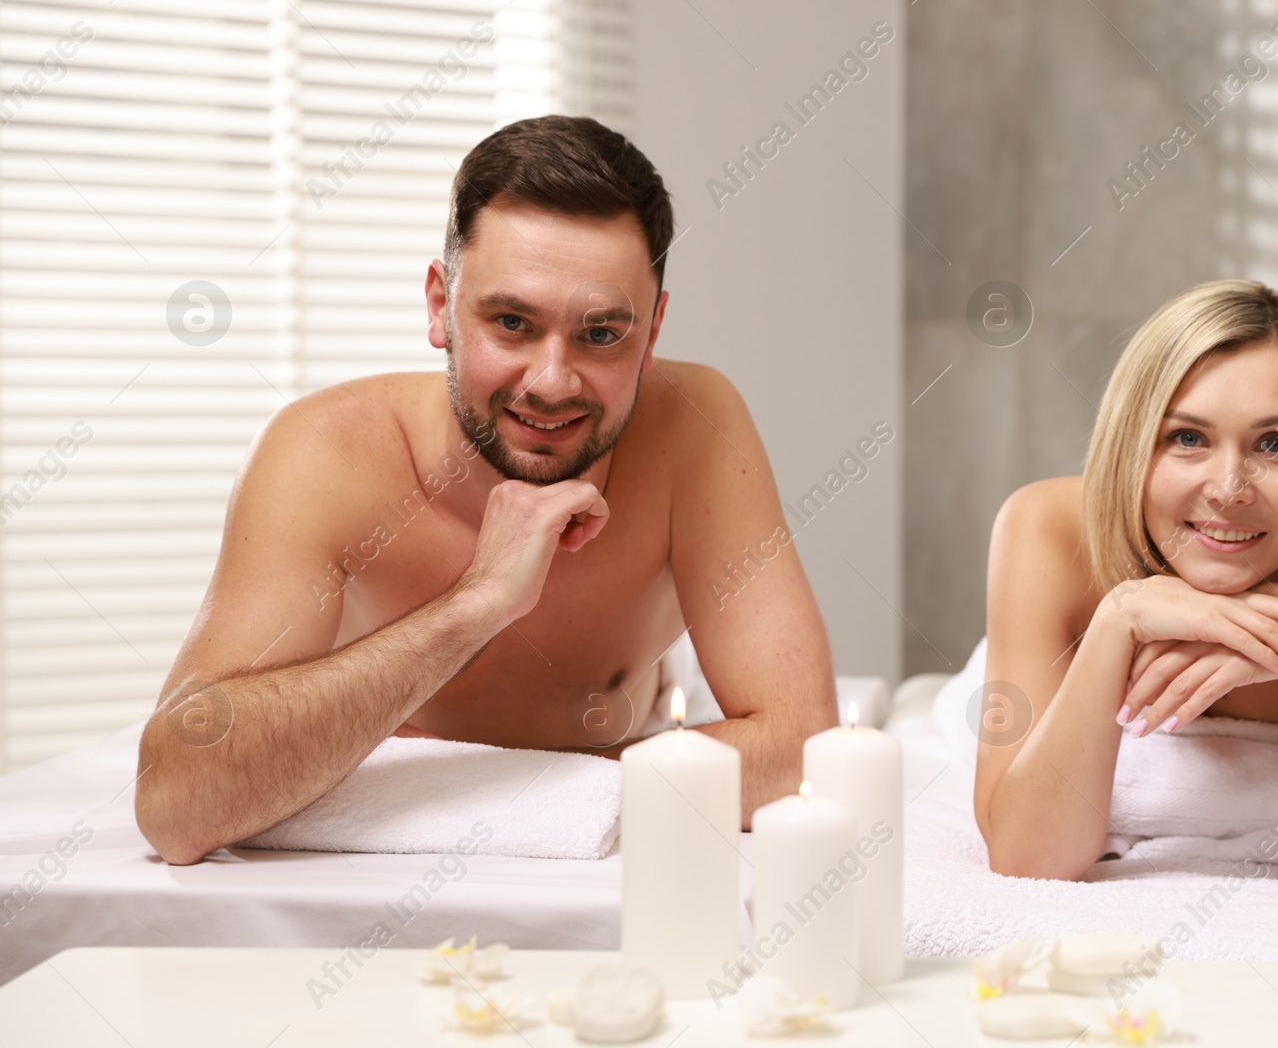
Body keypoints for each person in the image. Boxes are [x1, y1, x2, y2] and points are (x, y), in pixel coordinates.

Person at [134, 115, 839, 865]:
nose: (552, 381)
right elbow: (175, 803)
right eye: (511, 322)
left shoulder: (695, 428)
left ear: (654, 331)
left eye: (602, 334)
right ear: (441, 307)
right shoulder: (323, 453)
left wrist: (524, 788)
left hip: (597, 869)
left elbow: (802, 747)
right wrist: (474, 604)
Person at [976, 279, 1278, 895]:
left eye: (1276, 444)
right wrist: (1120, 618)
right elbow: (1027, 857)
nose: (1229, 489)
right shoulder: (1046, 527)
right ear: (1132, 452)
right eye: (1187, 438)